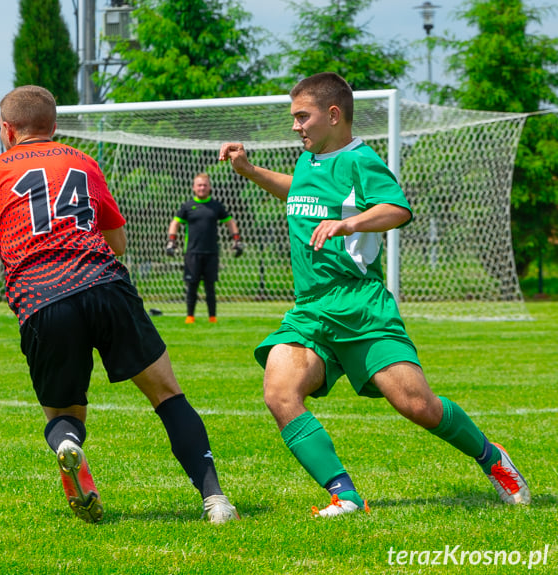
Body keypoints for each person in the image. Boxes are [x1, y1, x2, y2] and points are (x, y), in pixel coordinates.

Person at [219, 72, 530, 517]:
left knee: (417, 405)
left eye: (302, 117)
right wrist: (250, 171)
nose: (295, 126)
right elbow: (299, 191)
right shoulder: (309, 161)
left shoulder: (361, 161)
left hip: (362, 305)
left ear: (333, 114)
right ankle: (344, 495)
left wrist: (349, 223)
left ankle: (491, 457)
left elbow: (397, 208)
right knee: (279, 392)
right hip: (311, 309)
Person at [0, 85, 239, 524]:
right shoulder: (82, 161)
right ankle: (216, 501)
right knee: (167, 395)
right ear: (54, 126)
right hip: (103, 283)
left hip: (40, 297)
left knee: (63, 414)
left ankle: (67, 445)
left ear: (6, 129)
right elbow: (117, 240)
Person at [166, 173, 243, 324]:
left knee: (210, 287)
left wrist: (236, 239)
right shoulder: (187, 206)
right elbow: (175, 223)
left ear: (210, 187)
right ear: (194, 188)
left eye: (205, 185)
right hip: (192, 253)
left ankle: (212, 318)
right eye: (199, 185)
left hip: (211, 252)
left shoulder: (216, 206)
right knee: (192, 286)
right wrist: (171, 241)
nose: (202, 188)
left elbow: (230, 222)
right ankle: (190, 317)